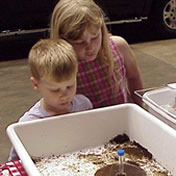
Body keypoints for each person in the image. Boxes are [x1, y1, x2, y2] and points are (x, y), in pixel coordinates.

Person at [8, 38, 93, 161]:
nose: (64, 95)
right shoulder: (28, 123)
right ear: (36, 84)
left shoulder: (84, 105)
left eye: (70, 86)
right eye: (55, 90)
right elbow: (15, 162)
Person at [50, 0, 143, 108]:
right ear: (62, 40)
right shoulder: (61, 65)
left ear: (102, 29)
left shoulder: (118, 46)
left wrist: (138, 106)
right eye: (79, 42)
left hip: (121, 116)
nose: (90, 47)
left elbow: (133, 76)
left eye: (95, 37)